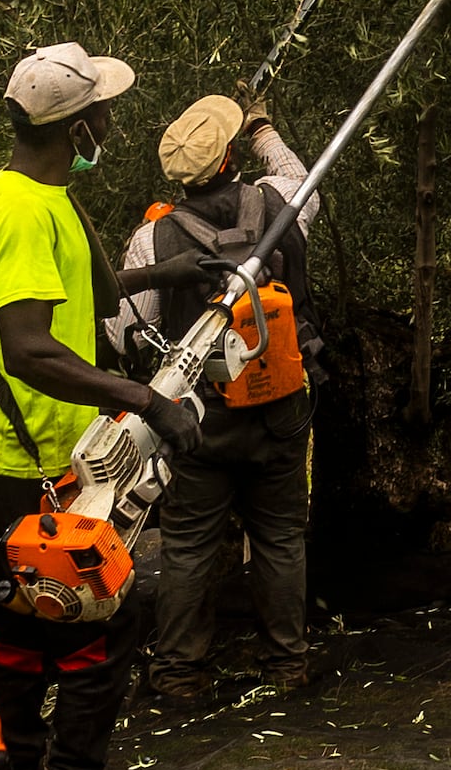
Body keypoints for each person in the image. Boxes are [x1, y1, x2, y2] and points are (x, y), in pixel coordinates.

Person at [0, 45, 203, 770]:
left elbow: (92, 291)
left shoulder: (35, 192)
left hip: (34, 447)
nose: (113, 122)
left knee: (24, 624)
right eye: (104, 110)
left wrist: (177, 271)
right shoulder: (26, 210)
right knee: (96, 617)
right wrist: (146, 401)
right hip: (27, 454)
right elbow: (28, 346)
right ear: (76, 122)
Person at [123, 93, 320, 708]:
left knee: (186, 545)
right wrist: (262, 125)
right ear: (231, 154)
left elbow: (119, 330)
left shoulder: (151, 241)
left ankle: (180, 671)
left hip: (196, 421)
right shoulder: (279, 202)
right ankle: (287, 663)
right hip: (281, 411)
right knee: (282, 538)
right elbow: (301, 176)